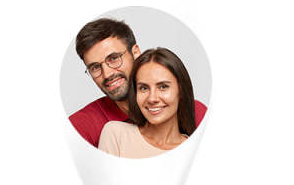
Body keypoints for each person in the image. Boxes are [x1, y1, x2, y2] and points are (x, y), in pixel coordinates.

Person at [69, 18, 206, 147]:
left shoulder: (195, 113)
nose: (107, 74)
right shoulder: (80, 127)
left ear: (135, 52)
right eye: (95, 67)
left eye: (114, 58)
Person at [98, 47, 197, 158]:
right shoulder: (115, 135)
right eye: (144, 88)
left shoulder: (196, 151)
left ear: (181, 91)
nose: (152, 99)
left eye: (163, 87)